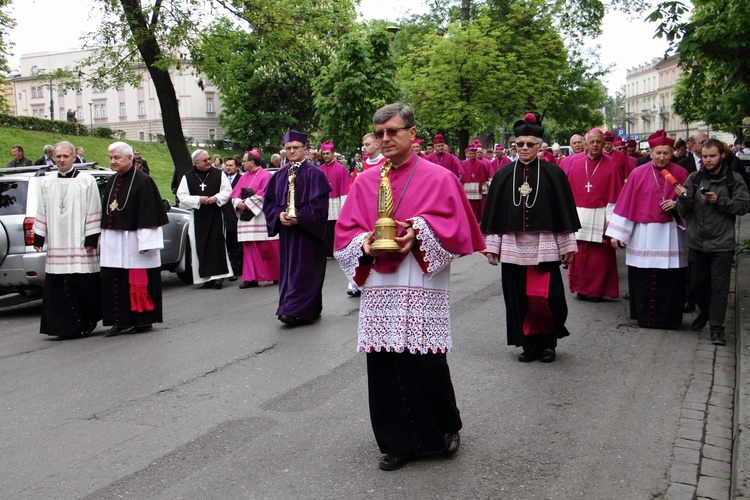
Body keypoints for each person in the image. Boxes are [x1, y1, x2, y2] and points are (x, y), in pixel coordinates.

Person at [334, 102, 485, 471]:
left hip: (421, 279)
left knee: (426, 359)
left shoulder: (438, 177)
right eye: (380, 132)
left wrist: (419, 230)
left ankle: (443, 429)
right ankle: (396, 442)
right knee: (384, 362)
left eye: (393, 132)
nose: (385, 139)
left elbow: (456, 225)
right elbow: (345, 233)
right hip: (382, 283)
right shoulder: (366, 180)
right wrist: (364, 244)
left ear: (411, 134)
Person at [481, 113, 581, 363]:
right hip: (513, 248)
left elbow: (563, 212)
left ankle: (548, 344)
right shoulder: (503, 175)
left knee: (547, 297)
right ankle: (527, 344)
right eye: (520, 144)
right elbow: (494, 215)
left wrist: (567, 245)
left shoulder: (553, 174)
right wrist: (492, 248)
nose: (524, 148)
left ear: (539, 147)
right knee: (517, 297)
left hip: (544, 247)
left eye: (530, 144)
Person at [605, 130, 689, 329]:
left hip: (671, 232)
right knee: (643, 277)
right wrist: (618, 234)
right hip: (643, 233)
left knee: (670, 278)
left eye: (666, 153)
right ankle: (645, 317)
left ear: (671, 154)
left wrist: (678, 204)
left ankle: (668, 319)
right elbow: (626, 203)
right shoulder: (638, 173)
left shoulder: (681, 173)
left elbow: (692, 203)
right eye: (658, 153)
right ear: (650, 153)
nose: (661, 157)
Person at [676, 139, 749, 344]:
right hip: (697, 242)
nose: (708, 160)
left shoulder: (733, 180)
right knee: (696, 283)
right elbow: (684, 210)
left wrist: (721, 201)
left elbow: (744, 206)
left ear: (722, 156)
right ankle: (706, 311)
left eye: (712, 156)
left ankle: (717, 328)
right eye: (705, 156)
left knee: (719, 287)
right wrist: (682, 198)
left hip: (722, 243)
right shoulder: (695, 178)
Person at [33, 141, 101, 339]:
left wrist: (91, 238)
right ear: (53, 158)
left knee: (82, 283)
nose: (61, 160)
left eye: (65, 156)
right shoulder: (47, 182)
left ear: (73, 157)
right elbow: (41, 210)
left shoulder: (86, 180)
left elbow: (94, 209)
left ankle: (86, 321)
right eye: (58, 156)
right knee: (58, 285)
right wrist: (39, 237)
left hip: (80, 242)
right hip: (57, 242)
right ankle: (61, 326)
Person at [100, 142, 169, 336]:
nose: (113, 161)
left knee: (136, 280)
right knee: (116, 279)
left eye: (117, 158)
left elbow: (149, 212)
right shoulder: (112, 180)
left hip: (134, 240)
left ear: (130, 158)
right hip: (114, 240)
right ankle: (120, 320)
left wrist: (146, 242)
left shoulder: (143, 181)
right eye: (111, 158)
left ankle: (142, 321)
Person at [262, 131, 330, 327]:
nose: (291, 151)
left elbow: (319, 207)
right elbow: (269, 204)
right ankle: (290, 307)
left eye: (295, 148)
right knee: (288, 271)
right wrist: (279, 215)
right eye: (288, 148)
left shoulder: (315, 174)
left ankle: (297, 310)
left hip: (307, 233)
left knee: (306, 271)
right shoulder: (279, 175)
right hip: (286, 234)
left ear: (304, 150)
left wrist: (299, 218)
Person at [565, 128, 623, 301]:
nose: (596, 145)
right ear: (585, 144)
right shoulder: (575, 164)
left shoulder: (611, 165)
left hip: (600, 216)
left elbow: (615, 197)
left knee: (599, 259)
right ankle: (581, 289)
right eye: (592, 142)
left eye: (599, 142)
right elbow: (568, 194)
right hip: (579, 216)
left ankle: (597, 291)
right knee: (580, 255)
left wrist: (610, 221)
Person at [177, 149, 234, 289]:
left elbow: (227, 191)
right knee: (199, 244)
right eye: (205, 160)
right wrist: (198, 199)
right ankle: (206, 278)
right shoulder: (188, 177)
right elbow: (182, 196)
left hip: (215, 213)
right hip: (198, 215)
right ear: (196, 163)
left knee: (217, 243)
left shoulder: (219, 174)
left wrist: (216, 198)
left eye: (209, 159)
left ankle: (218, 277)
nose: (209, 162)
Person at [232, 150, 279, 288]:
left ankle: (276, 275)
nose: (242, 163)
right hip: (247, 217)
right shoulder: (243, 177)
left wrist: (247, 203)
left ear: (252, 162)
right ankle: (251, 278)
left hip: (261, 216)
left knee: (268, 246)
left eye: (244, 161)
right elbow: (234, 194)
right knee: (249, 247)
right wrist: (237, 203)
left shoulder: (266, 175)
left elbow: (265, 194)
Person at [318, 141, 350, 258]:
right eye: (324, 154)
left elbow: (345, 187)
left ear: (332, 154)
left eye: (327, 153)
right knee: (325, 228)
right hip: (324, 202)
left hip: (336, 201)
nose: (325, 156)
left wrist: (344, 206)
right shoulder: (319, 169)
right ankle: (327, 251)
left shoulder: (341, 169)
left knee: (335, 227)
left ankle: (336, 250)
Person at [222, 156, 243, 280]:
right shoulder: (222, 178)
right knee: (227, 242)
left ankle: (236, 268)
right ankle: (228, 267)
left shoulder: (241, 179)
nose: (228, 168)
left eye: (231, 165)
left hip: (236, 213)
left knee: (236, 243)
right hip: (224, 212)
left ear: (237, 167)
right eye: (227, 165)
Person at [460, 140, 491, 221]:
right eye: (470, 153)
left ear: (475, 154)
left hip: (477, 187)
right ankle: (468, 219)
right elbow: (461, 177)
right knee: (468, 204)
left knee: (477, 205)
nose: (472, 155)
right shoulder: (464, 163)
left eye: (473, 153)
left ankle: (477, 220)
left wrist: (484, 189)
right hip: (467, 187)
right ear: (468, 154)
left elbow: (484, 178)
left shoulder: (481, 164)